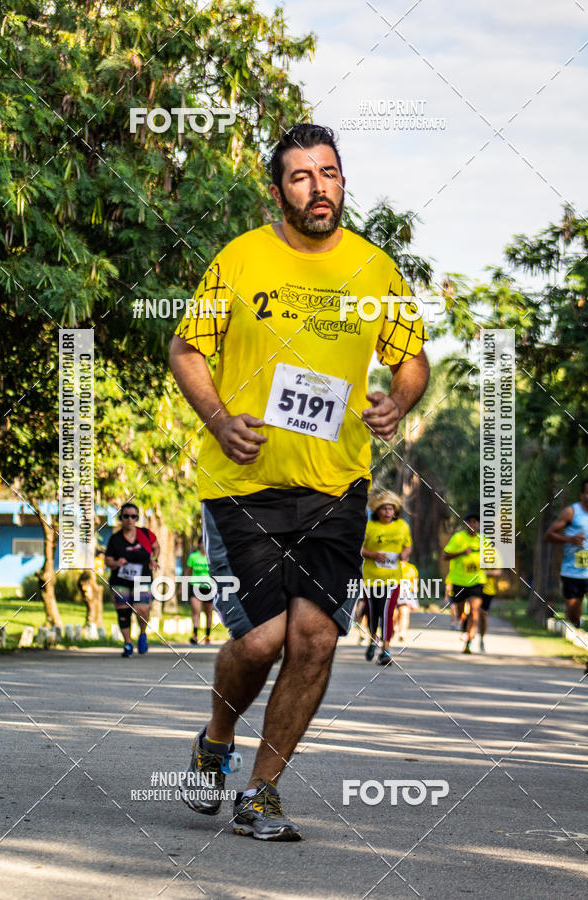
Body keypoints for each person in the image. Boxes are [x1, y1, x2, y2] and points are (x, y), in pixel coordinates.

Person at [169, 123, 429, 840]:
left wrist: (398, 400)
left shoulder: (374, 271)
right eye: (302, 176)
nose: (319, 187)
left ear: (343, 181)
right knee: (261, 641)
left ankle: (262, 792)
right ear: (278, 189)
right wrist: (220, 419)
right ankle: (216, 740)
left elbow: (411, 361)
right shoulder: (241, 259)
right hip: (244, 483)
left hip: (335, 484)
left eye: (330, 173)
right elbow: (187, 348)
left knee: (313, 640)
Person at [361, 490, 412, 665]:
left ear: (395, 511)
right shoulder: (369, 527)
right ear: (377, 511)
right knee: (372, 613)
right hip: (371, 577)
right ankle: (372, 640)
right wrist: (372, 555)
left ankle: (386, 650)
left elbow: (407, 546)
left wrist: (404, 554)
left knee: (387, 613)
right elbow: (358, 549)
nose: (387, 512)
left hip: (393, 579)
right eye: (384, 509)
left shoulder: (402, 526)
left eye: (391, 509)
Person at [105, 503, 160, 657]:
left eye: (133, 516)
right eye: (126, 516)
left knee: (142, 609)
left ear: (137, 518)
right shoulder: (115, 539)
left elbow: (156, 547)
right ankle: (128, 643)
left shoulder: (145, 534)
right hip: (120, 581)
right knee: (123, 612)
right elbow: (108, 560)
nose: (130, 519)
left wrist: (154, 559)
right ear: (121, 518)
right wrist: (117, 563)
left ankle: (142, 634)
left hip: (142, 578)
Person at [443, 511, 490, 654]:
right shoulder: (458, 538)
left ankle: (469, 640)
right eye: (469, 522)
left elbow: (490, 559)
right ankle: (464, 626)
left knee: (475, 610)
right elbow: (446, 555)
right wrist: (462, 553)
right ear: (465, 524)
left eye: (475, 522)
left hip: (477, 580)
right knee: (460, 611)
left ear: (479, 525)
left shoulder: (484, 540)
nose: (472, 524)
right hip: (459, 580)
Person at [545, 479, 588, 627]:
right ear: (582, 494)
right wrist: (570, 539)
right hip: (572, 573)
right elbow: (549, 535)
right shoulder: (571, 512)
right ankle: (576, 621)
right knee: (573, 615)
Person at [187, 536, 214, 644]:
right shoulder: (193, 557)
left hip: (209, 587)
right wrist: (183, 586)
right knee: (196, 610)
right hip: (195, 586)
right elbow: (188, 571)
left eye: (206, 542)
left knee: (208, 612)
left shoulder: (212, 557)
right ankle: (195, 635)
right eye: (202, 543)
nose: (204, 545)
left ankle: (207, 635)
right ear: (199, 544)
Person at [394, 559, 419, 642]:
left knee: (404, 612)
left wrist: (415, 589)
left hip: (406, 593)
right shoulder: (392, 566)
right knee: (394, 613)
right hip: (393, 591)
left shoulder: (411, 568)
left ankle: (402, 633)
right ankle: (394, 627)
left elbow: (415, 579)